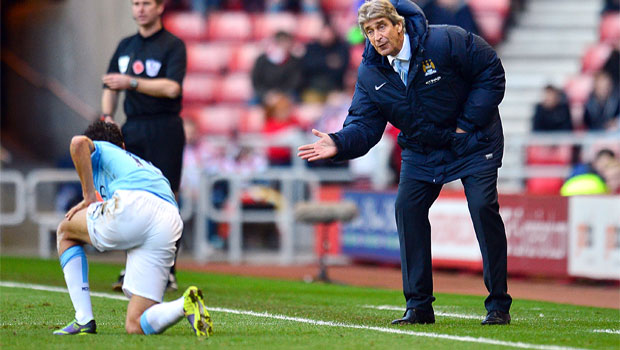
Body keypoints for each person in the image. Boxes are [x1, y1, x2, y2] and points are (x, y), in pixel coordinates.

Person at [298, 0, 512, 325]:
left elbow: (491, 71)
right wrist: (339, 142)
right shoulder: (370, 72)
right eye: (369, 31)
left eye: (381, 26)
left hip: (472, 141)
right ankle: (419, 307)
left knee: (483, 208)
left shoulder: (445, 40)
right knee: (407, 209)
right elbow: (365, 126)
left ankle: (498, 305)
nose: (377, 36)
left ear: (398, 25)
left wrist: (466, 123)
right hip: (422, 148)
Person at [53, 120, 213, 337]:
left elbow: (78, 142)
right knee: (136, 324)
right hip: (169, 219)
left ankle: (83, 320)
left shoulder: (101, 149)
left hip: (134, 205)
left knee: (65, 231)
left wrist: (88, 195)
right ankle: (184, 304)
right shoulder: (144, 165)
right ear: (124, 146)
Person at [101, 0, 187, 291]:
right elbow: (110, 85)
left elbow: (172, 87)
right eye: (136, 3)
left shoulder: (173, 45)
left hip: (165, 126)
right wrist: (108, 117)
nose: (140, 9)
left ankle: (168, 270)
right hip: (133, 126)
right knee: (130, 197)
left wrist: (132, 83)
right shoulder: (125, 45)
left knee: (167, 197)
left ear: (160, 7)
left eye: (146, 3)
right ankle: (131, 270)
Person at [251, 30, 303, 103]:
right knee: (253, 104)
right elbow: (256, 81)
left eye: (286, 42)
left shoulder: (294, 61)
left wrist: (280, 94)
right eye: (280, 42)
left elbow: (294, 82)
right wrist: (266, 94)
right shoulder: (261, 60)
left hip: (286, 94)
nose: (284, 45)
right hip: (264, 94)